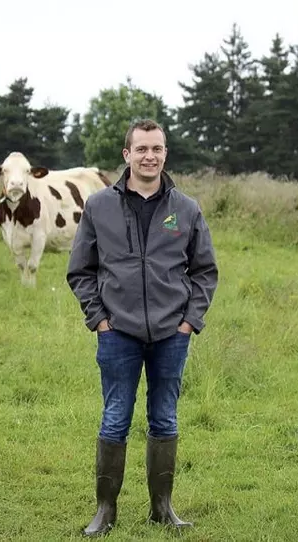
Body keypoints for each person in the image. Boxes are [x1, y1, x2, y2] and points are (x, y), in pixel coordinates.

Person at [66, 118, 218, 536]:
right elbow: (80, 270)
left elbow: (205, 271)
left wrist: (190, 322)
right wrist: (99, 320)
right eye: (142, 149)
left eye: (157, 149)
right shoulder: (99, 206)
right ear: (126, 155)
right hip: (118, 333)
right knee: (115, 418)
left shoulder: (185, 208)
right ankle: (105, 510)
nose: (149, 156)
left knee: (165, 418)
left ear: (165, 154)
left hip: (172, 334)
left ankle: (162, 508)